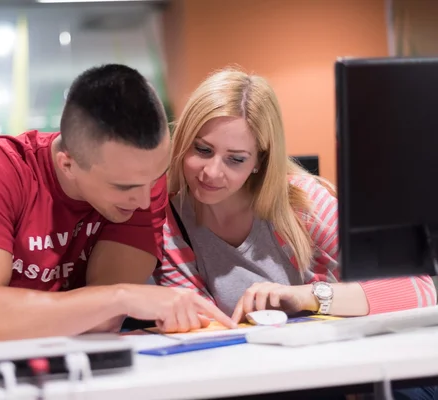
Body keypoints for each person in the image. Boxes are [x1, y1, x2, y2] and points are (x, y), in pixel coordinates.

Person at [0, 64, 234, 356]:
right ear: (67, 165)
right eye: (123, 187)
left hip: (52, 364)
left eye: (155, 178)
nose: (145, 200)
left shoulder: (140, 179)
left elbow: (103, 322)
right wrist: (122, 297)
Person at [154, 66, 437, 399]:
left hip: (358, 374)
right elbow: (203, 337)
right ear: (183, 141)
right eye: (202, 150)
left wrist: (309, 296)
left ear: (260, 160)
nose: (212, 172)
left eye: (236, 159)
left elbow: (421, 289)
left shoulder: (304, 204)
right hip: (265, 380)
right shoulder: (168, 225)